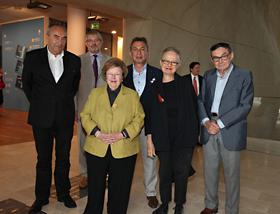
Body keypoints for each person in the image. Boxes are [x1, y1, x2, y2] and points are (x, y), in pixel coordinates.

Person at [22, 24, 81, 214]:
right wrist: (42, 104)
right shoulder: (32, 57)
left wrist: (60, 103)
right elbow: (27, 86)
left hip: (64, 116)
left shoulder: (73, 60)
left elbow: (73, 87)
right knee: (43, 159)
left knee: (63, 158)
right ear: (47, 37)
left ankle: (64, 193)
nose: (60, 42)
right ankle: (41, 197)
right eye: (56, 37)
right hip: (41, 117)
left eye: (64, 38)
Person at [80, 58, 145, 214]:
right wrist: (98, 133)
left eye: (117, 74)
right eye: (110, 74)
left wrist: (123, 134)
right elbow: (85, 115)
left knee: (120, 188)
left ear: (123, 76)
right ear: (105, 75)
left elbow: (139, 118)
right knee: (95, 187)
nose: (114, 78)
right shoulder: (95, 94)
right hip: (97, 147)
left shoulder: (132, 95)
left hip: (124, 149)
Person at [198, 42, 254, 214]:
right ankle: (211, 205)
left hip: (231, 130)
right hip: (208, 129)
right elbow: (200, 100)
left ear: (231, 55)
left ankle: (231, 210)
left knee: (231, 176)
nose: (220, 60)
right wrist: (207, 122)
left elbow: (245, 106)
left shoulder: (244, 75)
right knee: (210, 172)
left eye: (223, 56)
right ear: (211, 59)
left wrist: (219, 124)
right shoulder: (208, 75)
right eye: (216, 57)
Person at [146, 47, 199, 214]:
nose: (169, 65)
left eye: (173, 62)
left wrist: (193, 137)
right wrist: (149, 139)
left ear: (179, 65)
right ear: (161, 62)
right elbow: (149, 115)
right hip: (163, 138)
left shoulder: (185, 83)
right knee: (165, 173)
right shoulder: (154, 87)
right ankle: (164, 204)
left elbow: (194, 109)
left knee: (182, 173)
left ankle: (179, 205)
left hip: (184, 137)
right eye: (166, 61)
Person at [123, 37, 162, 209]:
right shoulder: (123, 73)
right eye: (135, 49)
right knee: (124, 159)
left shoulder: (157, 73)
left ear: (148, 52)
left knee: (150, 158)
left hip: (149, 125)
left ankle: (151, 192)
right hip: (127, 125)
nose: (139, 52)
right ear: (130, 52)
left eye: (142, 49)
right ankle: (122, 191)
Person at [75, 30, 112, 189]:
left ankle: (105, 173)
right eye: (90, 40)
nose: (93, 43)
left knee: (105, 141)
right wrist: (75, 107)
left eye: (96, 40)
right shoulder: (77, 61)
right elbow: (73, 86)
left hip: (105, 109)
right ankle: (85, 174)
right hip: (84, 108)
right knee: (84, 142)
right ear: (86, 43)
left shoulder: (111, 61)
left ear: (102, 42)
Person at [185, 62, 203, 146]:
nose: (198, 69)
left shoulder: (202, 79)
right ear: (191, 69)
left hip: (199, 104)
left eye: (198, 67)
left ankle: (196, 140)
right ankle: (188, 140)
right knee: (188, 123)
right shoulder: (185, 79)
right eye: (196, 68)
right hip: (188, 104)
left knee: (197, 123)